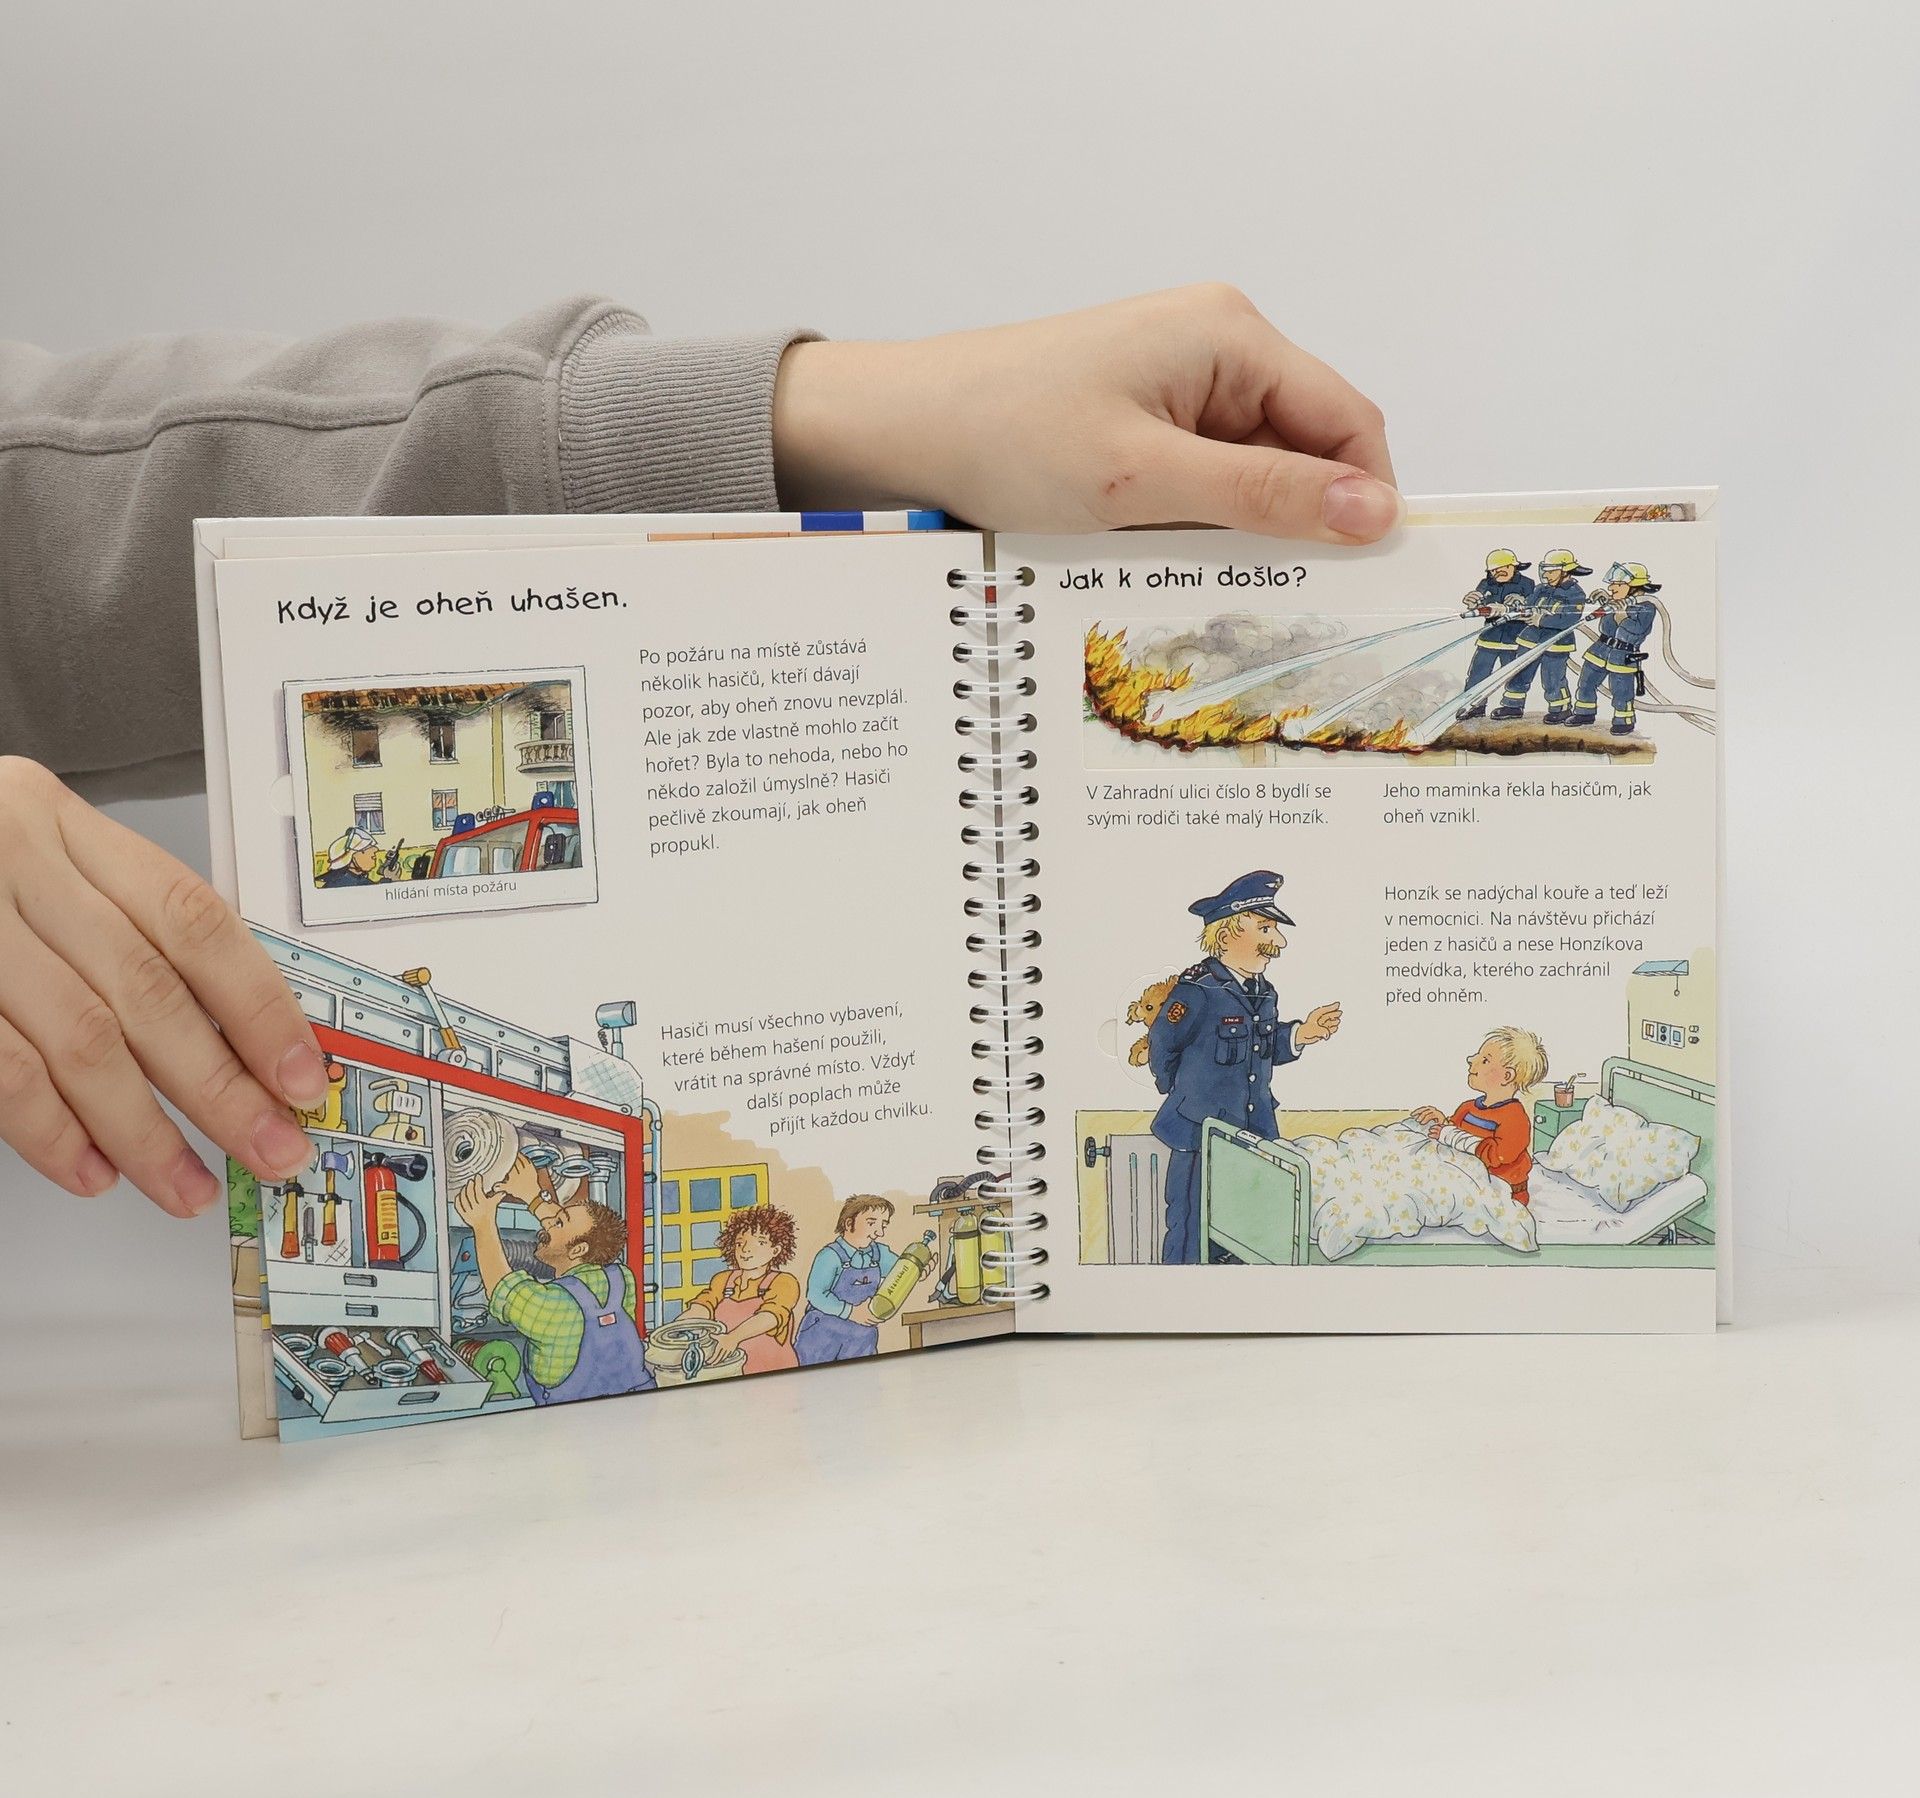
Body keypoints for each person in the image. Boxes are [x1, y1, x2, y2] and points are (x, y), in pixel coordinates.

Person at [0, 284, 1397, 1216]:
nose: (1265, 941)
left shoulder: (1241, 992)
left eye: (1270, 931)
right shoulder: (1184, 992)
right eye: (1259, 927)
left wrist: (825, 416)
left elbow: (48, 526)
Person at [1147, 871, 1343, 1264]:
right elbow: (1162, 1047)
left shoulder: (1264, 993)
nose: (1278, 942)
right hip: (1201, 1136)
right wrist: (1186, 1097)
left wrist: (1301, 1034)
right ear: (1226, 935)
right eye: (1266, 929)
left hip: (1253, 1135)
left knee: (1248, 1237)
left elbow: (1263, 1048)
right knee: (1191, 1238)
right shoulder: (1198, 990)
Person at [452, 1154, 653, 1404]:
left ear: (578, 1250)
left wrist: (482, 1223)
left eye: (558, 1223)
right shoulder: (621, 1278)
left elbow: (502, 1288)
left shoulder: (555, 1307)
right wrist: (533, 1196)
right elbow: (578, 1231)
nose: (547, 1224)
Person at [1411, 1026, 1549, 1208]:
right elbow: (1450, 1134)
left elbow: (1498, 1155)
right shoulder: (1468, 1108)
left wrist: (1450, 1135)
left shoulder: (1514, 1118)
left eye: (1485, 1060)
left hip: (1502, 1190)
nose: (1471, 1059)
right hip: (1467, 1179)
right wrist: (1441, 1122)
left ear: (1507, 1076)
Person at [683, 1203, 803, 1375]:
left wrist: (733, 1338)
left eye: (759, 1243)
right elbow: (703, 1305)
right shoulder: (722, 1280)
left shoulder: (784, 1282)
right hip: (729, 1372)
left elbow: (771, 1315)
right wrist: (676, 1328)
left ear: (775, 1250)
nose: (746, 1250)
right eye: (740, 1243)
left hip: (773, 1372)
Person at [793, 1195, 902, 1366]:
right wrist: (850, 1312)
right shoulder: (829, 1256)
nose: (879, 1233)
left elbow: (901, 1270)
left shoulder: (879, 1253)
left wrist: (918, 1269)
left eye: (883, 1225)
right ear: (849, 1224)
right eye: (871, 1223)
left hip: (862, 1338)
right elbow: (816, 1294)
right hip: (821, 1337)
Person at [1493, 548, 1591, 724]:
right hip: (1530, 639)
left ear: (1565, 571)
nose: (1546, 575)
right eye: (1545, 571)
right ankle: (1512, 705)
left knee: (1552, 678)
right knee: (1519, 673)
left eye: (1551, 571)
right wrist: (1518, 605)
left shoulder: (1575, 594)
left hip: (1555, 644)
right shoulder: (1541, 589)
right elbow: (1529, 605)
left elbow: (1568, 619)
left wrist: (1541, 620)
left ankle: (1560, 709)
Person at [1567, 562, 1659, 735]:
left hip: (1623, 654)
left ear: (1634, 586)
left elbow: (1635, 632)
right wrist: (1605, 601)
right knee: (1586, 681)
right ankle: (1584, 713)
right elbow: (1605, 627)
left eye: (1618, 584)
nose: (1611, 588)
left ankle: (1623, 721)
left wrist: (1621, 615)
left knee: (1621, 690)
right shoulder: (1616, 602)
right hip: (1600, 649)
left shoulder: (1647, 607)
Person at [1458, 548, 1536, 719]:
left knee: (1515, 674)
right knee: (1478, 673)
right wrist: (1473, 602)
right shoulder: (1485, 583)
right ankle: (1474, 706)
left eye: (1503, 568)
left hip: (1515, 639)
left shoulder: (1527, 584)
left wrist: (1520, 603)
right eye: (1493, 570)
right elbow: (1480, 603)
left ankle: (1513, 706)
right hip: (1489, 638)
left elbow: (1532, 608)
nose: (1497, 572)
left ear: (1513, 566)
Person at [314, 826, 383, 888]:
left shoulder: (364, 881)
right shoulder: (336, 885)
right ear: (350, 858)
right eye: (364, 850)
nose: (374, 855)